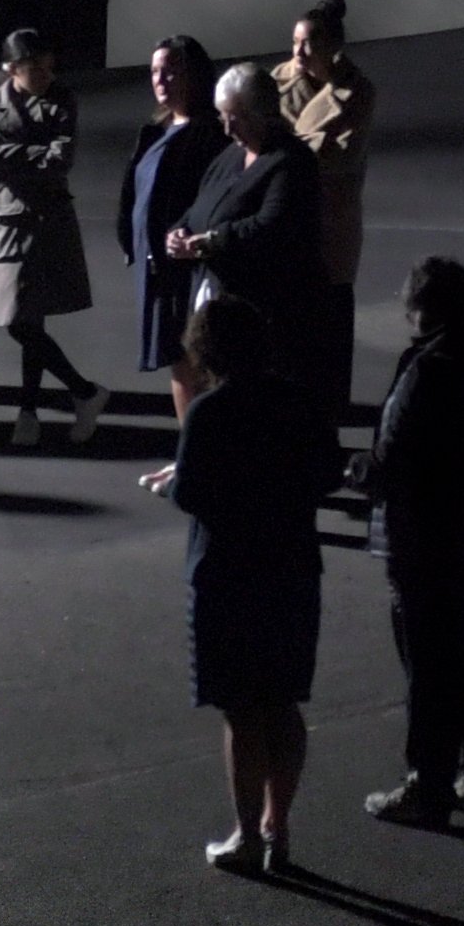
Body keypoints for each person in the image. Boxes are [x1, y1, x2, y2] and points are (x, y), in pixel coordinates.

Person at [141, 294, 338, 876]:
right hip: (293, 565)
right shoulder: (298, 402)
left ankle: (247, 834)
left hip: (227, 569)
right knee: (282, 700)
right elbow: (327, 474)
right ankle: (280, 825)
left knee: (241, 709)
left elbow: (193, 494)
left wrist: (170, 485)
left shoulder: (209, 412)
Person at [354, 259, 464, 827]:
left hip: (424, 536)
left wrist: (360, 471)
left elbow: (395, 454)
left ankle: (427, 782)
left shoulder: (430, 367)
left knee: (426, 665)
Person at [0, 27, 113, 446]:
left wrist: (9, 155)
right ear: (11, 69)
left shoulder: (62, 98)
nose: (46, 75)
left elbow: (61, 158)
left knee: (31, 316)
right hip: (7, 219)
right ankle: (83, 392)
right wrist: (33, 153)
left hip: (47, 219)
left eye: (49, 67)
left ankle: (29, 411)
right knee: (18, 318)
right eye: (34, 68)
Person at [163, 62, 323, 409]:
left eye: (236, 117)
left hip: (260, 311)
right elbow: (200, 207)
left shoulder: (291, 162)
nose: (227, 126)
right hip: (212, 299)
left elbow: (271, 226)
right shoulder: (229, 156)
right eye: (223, 115)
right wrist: (179, 231)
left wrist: (208, 242)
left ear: (264, 112)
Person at [274, 0, 376, 418]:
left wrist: (285, 150)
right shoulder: (275, 81)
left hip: (331, 224)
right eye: (295, 41)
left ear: (333, 47)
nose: (298, 52)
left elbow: (339, 157)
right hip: (284, 220)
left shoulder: (358, 91)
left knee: (329, 326)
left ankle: (327, 419)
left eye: (308, 43)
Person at [118, 34, 225, 379]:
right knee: (173, 353)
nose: (160, 80)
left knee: (190, 351)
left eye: (170, 71)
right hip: (154, 262)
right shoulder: (156, 129)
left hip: (185, 260)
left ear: (193, 74)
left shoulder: (210, 132)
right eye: (154, 72)